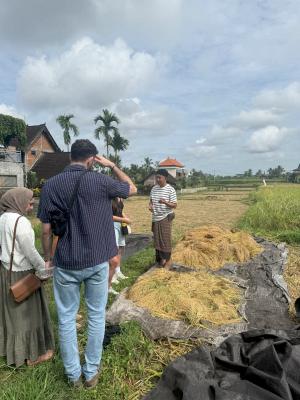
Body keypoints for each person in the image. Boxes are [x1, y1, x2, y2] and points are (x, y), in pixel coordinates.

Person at [38, 139, 137, 388]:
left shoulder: (50, 185)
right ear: (92, 159)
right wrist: (112, 165)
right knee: (95, 316)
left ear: (71, 156)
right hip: (95, 261)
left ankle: (73, 376)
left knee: (67, 318)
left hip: (66, 261)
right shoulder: (100, 181)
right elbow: (131, 188)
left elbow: (46, 229)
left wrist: (49, 257)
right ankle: (91, 372)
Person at [0, 188, 54, 367]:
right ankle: (28, 355)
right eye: (29, 203)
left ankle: (11, 351)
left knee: (11, 315)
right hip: (23, 273)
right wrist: (43, 269)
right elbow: (29, 250)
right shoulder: (20, 222)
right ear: (17, 201)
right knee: (28, 315)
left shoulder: (2, 218)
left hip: (6, 272)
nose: (31, 207)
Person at [149, 169, 177, 268]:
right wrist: (150, 206)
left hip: (166, 217)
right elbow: (151, 201)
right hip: (155, 217)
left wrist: (165, 202)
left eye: (159, 177)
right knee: (157, 239)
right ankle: (160, 259)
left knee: (165, 239)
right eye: (156, 177)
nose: (157, 179)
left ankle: (168, 260)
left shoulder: (170, 189)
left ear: (165, 178)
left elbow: (174, 205)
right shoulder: (154, 189)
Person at [108, 198, 131, 295]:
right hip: (112, 225)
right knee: (115, 249)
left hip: (121, 225)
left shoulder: (120, 199)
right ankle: (112, 277)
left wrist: (127, 219)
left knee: (121, 248)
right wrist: (123, 219)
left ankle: (118, 271)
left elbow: (121, 211)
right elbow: (108, 216)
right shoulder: (109, 199)